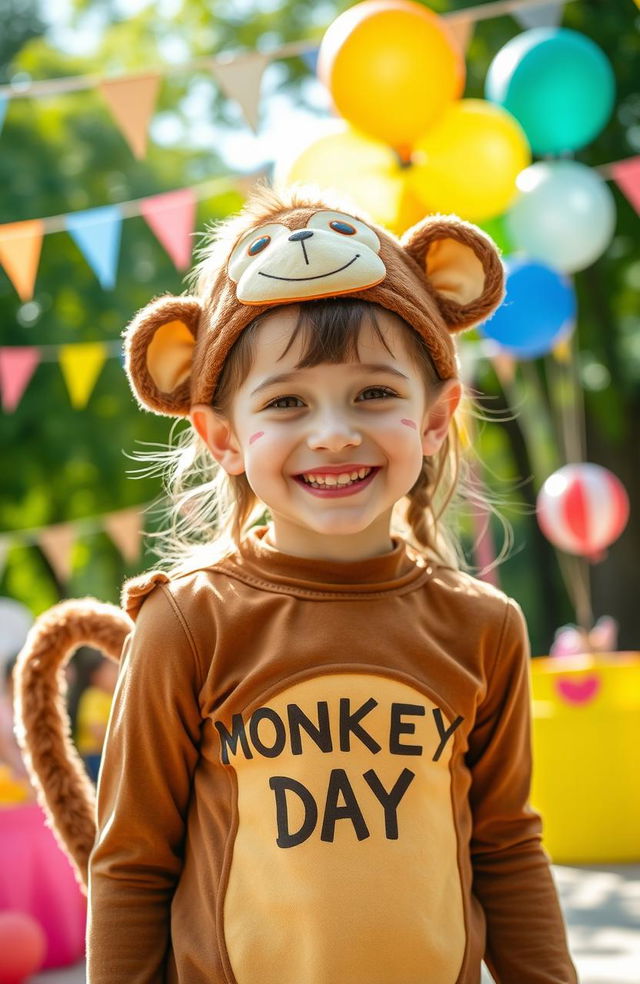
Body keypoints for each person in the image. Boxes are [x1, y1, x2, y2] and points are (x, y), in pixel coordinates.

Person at [16, 184, 578, 983]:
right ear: (223, 436)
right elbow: (132, 866)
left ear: (434, 415)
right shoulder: (187, 623)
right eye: (285, 402)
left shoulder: (483, 625)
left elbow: (507, 846)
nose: (334, 432)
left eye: (375, 392)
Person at [74, 655, 118, 782]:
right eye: (111, 670)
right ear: (96, 676)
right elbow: (96, 730)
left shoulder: (115, 697)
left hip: (111, 752)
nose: (116, 674)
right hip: (96, 754)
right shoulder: (93, 697)